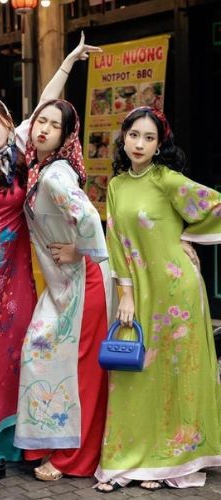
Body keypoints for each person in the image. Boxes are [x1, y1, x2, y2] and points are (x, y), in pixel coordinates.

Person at [0, 33, 101, 479]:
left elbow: (45, 104)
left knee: (17, 355)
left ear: (6, 120)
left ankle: (16, 441)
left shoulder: (20, 149)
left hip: (18, 270)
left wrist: (70, 60)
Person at [94, 107, 221, 492]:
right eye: (134, 135)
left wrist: (188, 235)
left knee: (175, 377)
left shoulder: (167, 179)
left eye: (149, 138)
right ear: (124, 137)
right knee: (137, 376)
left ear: (159, 143)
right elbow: (115, 242)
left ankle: (169, 463)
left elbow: (215, 204)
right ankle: (134, 460)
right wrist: (125, 294)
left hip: (176, 290)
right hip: (140, 290)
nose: (140, 144)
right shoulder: (115, 185)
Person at [13, 99, 112, 481]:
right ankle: (49, 443)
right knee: (41, 354)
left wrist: (81, 249)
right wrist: (68, 64)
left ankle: (75, 459)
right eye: (41, 120)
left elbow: (87, 215)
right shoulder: (38, 169)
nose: (43, 129)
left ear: (66, 136)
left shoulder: (55, 174)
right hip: (63, 284)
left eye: (54, 125)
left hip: (84, 282)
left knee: (81, 370)